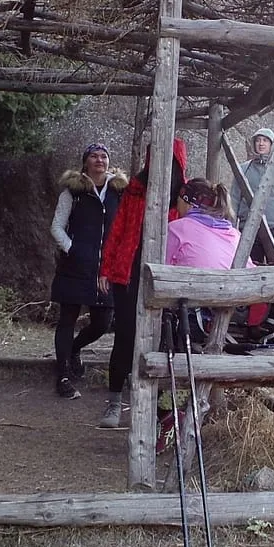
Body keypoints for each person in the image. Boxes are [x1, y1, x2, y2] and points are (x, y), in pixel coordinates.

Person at [94, 138, 187, 429]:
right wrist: (105, 269)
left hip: (163, 275)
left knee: (161, 341)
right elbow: (118, 229)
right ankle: (113, 402)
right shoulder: (135, 189)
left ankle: (151, 407)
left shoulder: (183, 196)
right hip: (128, 272)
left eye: (169, 160)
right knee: (125, 336)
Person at [49, 143, 127, 399]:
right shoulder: (73, 192)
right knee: (67, 320)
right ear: (85, 162)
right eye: (94, 156)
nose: (99, 160)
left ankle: (74, 349)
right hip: (75, 267)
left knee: (102, 323)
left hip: (107, 270)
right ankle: (62, 376)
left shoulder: (119, 192)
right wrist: (73, 249)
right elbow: (57, 226)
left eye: (103, 156)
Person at [230, 128, 274, 264]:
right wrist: (234, 229)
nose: (261, 144)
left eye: (265, 140)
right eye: (258, 140)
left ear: (272, 144)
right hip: (248, 231)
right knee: (250, 270)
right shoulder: (244, 169)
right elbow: (234, 200)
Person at [168, 178, 241, 270]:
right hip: (242, 283)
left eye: (178, 199)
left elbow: (159, 264)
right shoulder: (235, 234)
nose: (177, 205)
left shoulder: (177, 229)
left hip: (196, 283)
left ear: (186, 202)